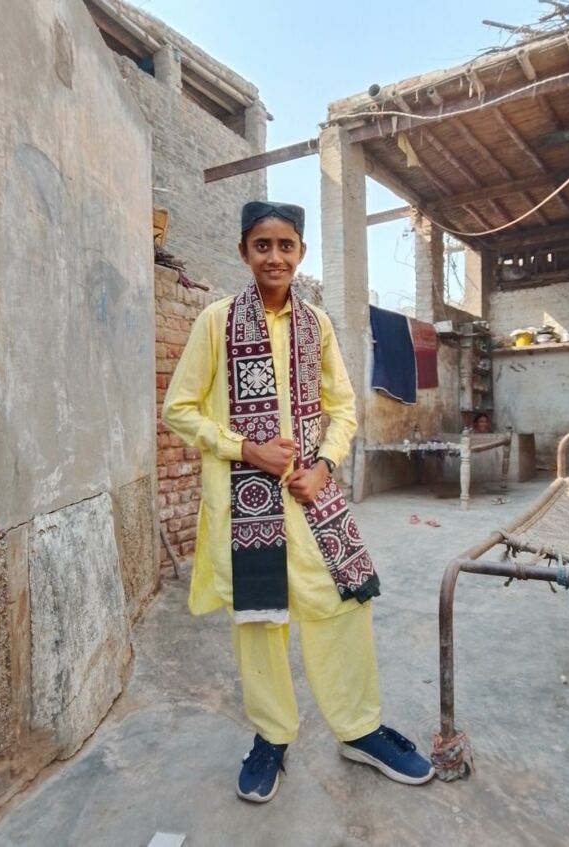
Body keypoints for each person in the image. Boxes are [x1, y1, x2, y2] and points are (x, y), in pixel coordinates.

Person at [162, 201, 434, 803]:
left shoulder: (318, 325)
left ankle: (359, 729)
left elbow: (343, 408)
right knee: (260, 622)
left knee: (342, 605)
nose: (274, 257)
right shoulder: (215, 322)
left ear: (301, 252)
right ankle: (272, 737)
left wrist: (325, 466)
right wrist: (244, 448)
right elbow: (178, 409)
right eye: (262, 245)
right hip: (246, 507)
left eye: (286, 245)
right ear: (244, 252)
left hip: (313, 499)